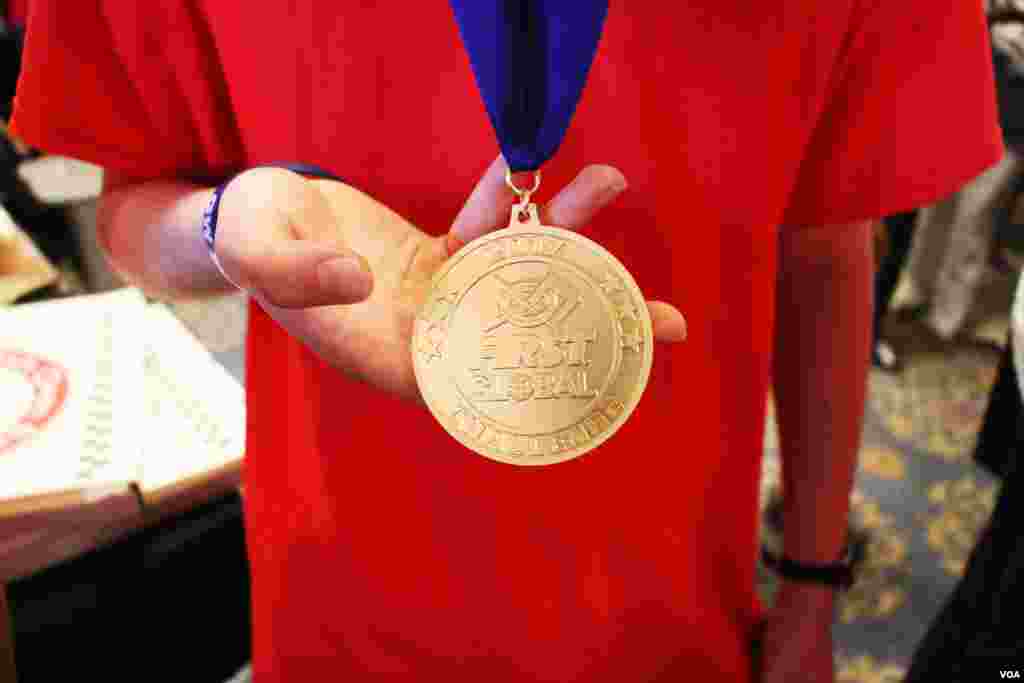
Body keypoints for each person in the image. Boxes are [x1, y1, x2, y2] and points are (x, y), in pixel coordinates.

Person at [9, 2, 1002, 681]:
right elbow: (130, 210)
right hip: (335, 606)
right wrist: (230, 229)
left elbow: (826, 253)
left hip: (672, 610)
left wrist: (813, 583)